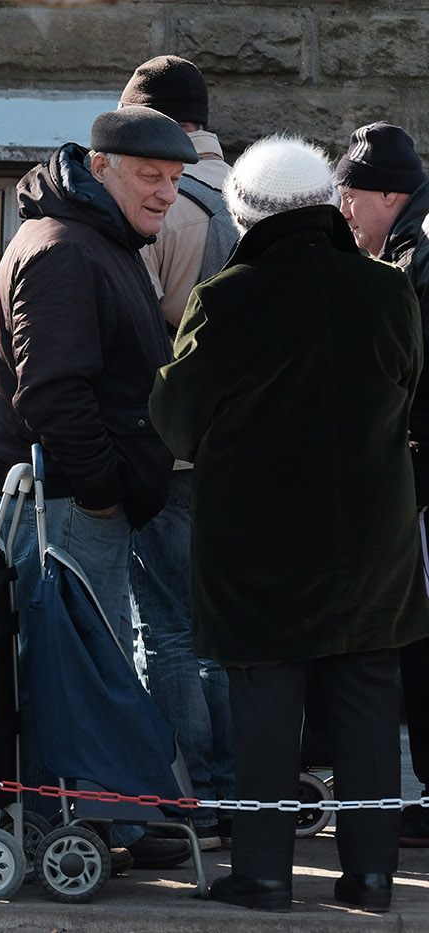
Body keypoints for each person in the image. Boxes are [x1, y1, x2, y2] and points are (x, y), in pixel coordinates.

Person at [151, 135, 429, 913]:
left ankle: (266, 873)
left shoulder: (227, 298)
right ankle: (372, 877)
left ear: (244, 216)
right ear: (328, 204)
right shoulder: (387, 289)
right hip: (373, 538)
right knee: (369, 702)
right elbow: (408, 385)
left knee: (267, 705)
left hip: (259, 544)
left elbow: (176, 419)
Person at [0, 106, 196, 869]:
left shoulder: (93, 240)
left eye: (175, 178)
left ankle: (106, 820)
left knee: (84, 666)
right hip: (68, 504)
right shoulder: (66, 249)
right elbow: (52, 392)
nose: (167, 192)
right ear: (100, 167)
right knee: (68, 669)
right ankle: (76, 826)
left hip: (77, 501)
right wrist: (106, 488)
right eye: (150, 175)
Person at [120, 55, 238, 852]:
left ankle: (190, 793)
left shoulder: (165, 206)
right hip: (246, 453)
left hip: (172, 449)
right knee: (225, 628)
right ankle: (237, 789)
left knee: (167, 629)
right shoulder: (256, 197)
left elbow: (133, 330)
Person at [333, 121, 429, 850]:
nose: (345, 212)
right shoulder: (410, 245)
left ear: (388, 195)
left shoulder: (415, 256)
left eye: (351, 196)